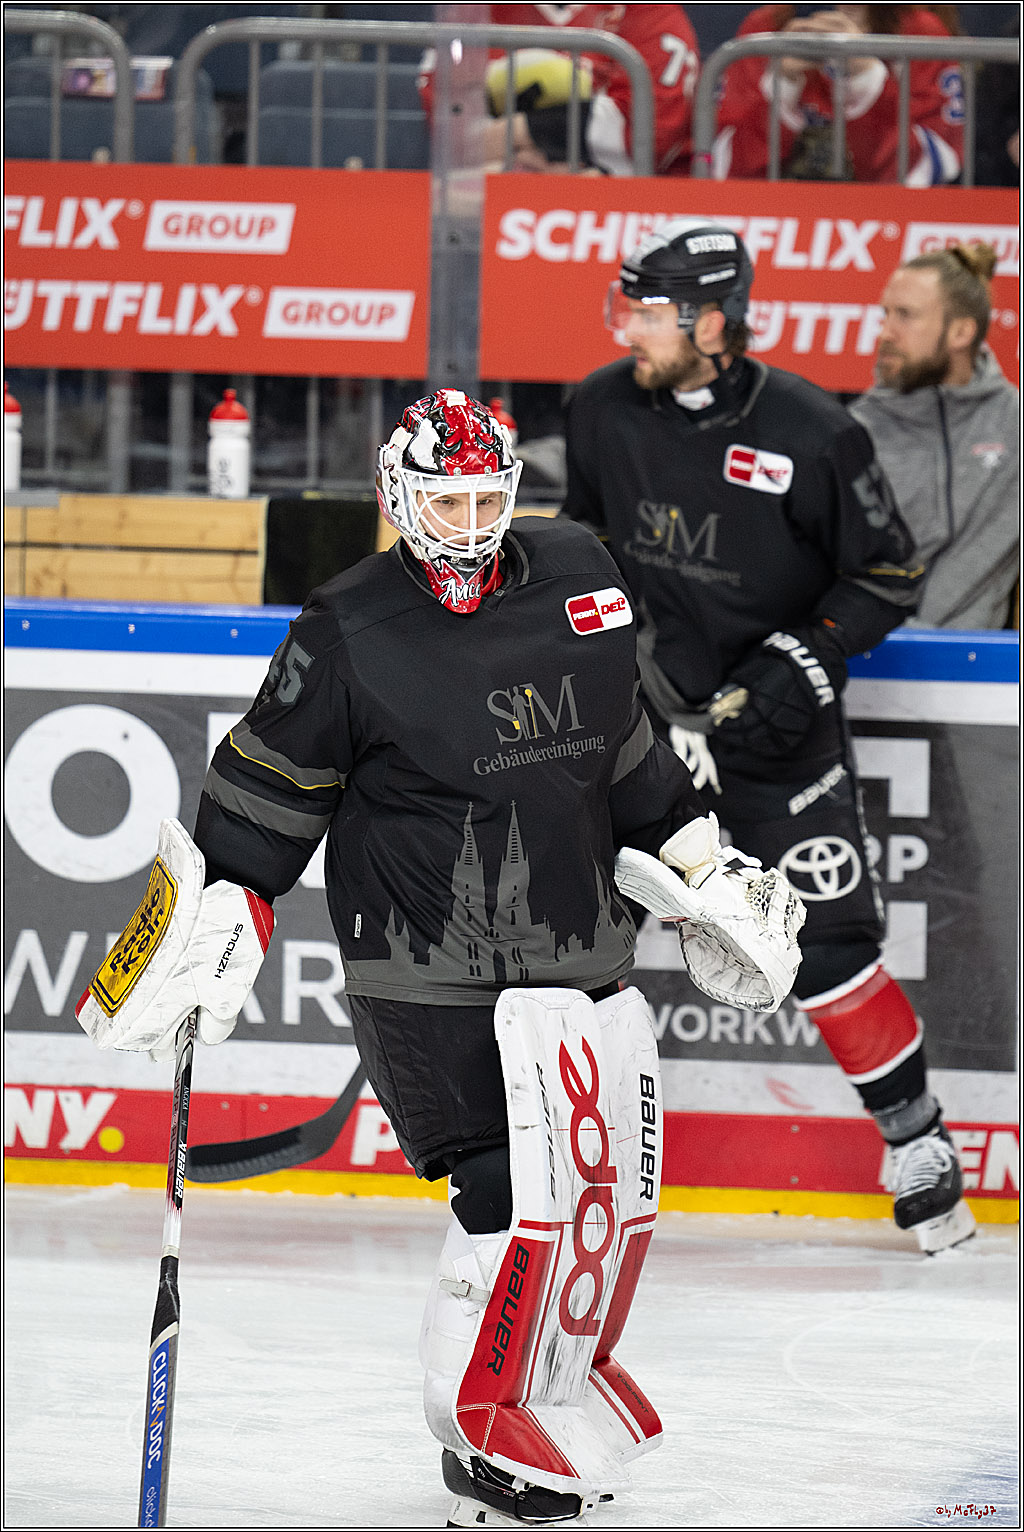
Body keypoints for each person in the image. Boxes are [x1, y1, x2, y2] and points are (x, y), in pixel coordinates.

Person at [73, 391, 804, 1528]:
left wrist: (701, 867)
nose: (468, 524)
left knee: (599, 1201)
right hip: (424, 960)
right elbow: (263, 807)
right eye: (444, 499)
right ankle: (473, 1425)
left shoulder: (577, 572)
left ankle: (548, 1389)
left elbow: (628, 755)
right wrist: (213, 925)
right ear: (395, 498)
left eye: (485, 497)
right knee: (507, 1194)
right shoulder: (348, 625)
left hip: (578, 946)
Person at [562, 217, 978, 1255]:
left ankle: (917, 1139)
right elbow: (587, 548)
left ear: (711, 322)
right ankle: (549, 1155)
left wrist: (805, 659)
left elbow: (885, 572)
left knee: (826, 940)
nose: (630, 331)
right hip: (646, 726)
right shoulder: (600, 405)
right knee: (566, 932)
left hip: (776, 725)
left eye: (648, 312)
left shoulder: (808, 426)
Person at [849, 243, 1020, 629]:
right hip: (870, 665)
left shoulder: (1014, 425)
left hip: (981, 673)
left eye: (905, 316)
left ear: (961, 331)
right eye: (885, 314)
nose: (885, 332)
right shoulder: (854, 433)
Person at [419, 3, 701, 176]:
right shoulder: (474, 12)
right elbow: (454, 136)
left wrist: (521, 129)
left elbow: (649, 131)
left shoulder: (648, 11)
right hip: (495, 190)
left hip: (622, 201)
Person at [711, 4, 963, 184]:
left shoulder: (919, 31)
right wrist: (782, 86)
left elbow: (935, 169)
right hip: (777, 217)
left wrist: (866, 76)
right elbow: (725, 168)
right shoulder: (765, 27)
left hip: (886, 219)